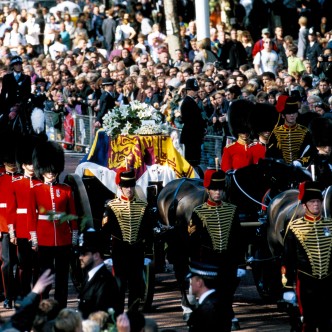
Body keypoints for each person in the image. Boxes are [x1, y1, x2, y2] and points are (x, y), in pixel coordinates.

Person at [188, 169, 244, 331]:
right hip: (208, 263)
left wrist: (240, 263)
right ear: (207, 190)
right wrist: (195, 268)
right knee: (210, 300)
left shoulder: (232, 210)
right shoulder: (198, 212)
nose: (218, 192)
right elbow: (193, 243)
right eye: (214, 189)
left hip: (227, 262)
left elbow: (238, 239)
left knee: (226, 296)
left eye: (220, 189)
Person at [27, 141, 78, 309]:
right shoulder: (35, 189)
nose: (51, 174)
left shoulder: (66, 189)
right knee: (45, 275)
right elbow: (31, 216)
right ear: (42, 170)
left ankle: (61, 307)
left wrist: (74, 235)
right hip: (44, 238)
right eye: (47, 170)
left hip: (63, 239)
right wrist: (34, 238)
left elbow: (72, 215)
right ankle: (44, 305)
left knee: (62, 277)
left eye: (53, 170)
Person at [102, 167, 154, 313]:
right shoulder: (112, 206)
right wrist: (107, 254)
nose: (129, 189)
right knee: (119, 287)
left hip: (137, 252)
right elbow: (105, 232)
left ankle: (132, 318)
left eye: (131, 185)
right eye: (126, 186)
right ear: (120, 187)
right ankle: (118, 317)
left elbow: (148, 232)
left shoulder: (143, 206)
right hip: (119, 251)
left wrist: (148, 253)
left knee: (136, 287)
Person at [282, 181, 332, 332]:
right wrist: (288, 287)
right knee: (308, 323)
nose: (316, 204)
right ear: (304, 205)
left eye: (318, 201)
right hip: (306, 283)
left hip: (328, 283)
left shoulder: (330, 225)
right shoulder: (295, 227)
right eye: (312, 201)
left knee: (328, 322)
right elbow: (288, 258)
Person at [78, 229, 121, 319]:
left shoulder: (105, 282)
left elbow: (103, 318)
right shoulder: (90, 276)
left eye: (84, 254)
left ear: (96, 255)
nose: (80, 257)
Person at [266, 96, 315, 167]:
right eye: (289, 113)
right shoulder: (276, 132)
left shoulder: (305, 131)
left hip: (300, 168)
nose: (292, 115)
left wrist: (300, 162)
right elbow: (271, 152)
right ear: (283, 116)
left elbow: (310, 151)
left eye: (294, 113)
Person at [186, 261, 230, 332]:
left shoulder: (208, 309)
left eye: (192, 280)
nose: (190, 284)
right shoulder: (217, 302)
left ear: (199, 283)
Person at [0, 56, 31, 133]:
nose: (18, 66)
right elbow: (3, 92)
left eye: (20, 64)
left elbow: (28, 93)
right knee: (3, 121)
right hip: (9, 104)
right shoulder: (6, 77)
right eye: (16, 64)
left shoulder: (26, 78)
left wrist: (20, 104)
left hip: (22, 106)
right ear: (13, 66)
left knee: (27, 124)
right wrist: (2, 106)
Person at [221, 99, 253, 172]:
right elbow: (226, 171)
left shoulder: (258, 147)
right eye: (241, 132)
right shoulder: (229, 149)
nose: (244, 134)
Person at [180, 78, 206, 168]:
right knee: (192, 161)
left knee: (194, 160)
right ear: (189, 91)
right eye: (194, 90)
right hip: (191, 136)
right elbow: (190, 120)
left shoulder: (190, 102)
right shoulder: (188, 102)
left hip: (193, 136)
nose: (196, 92)